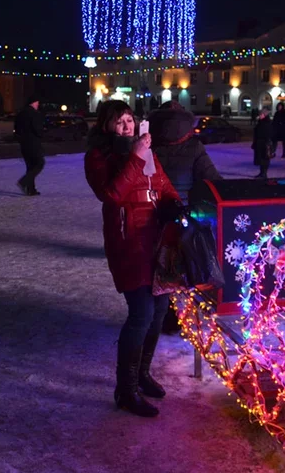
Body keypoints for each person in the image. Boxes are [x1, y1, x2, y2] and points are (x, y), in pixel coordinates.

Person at [85, 100, 181, 417]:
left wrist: (175, 205)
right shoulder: (99, 156)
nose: (126, 126)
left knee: (159, 311)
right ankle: (125, 390)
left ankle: (141, 374)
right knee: (141, 313)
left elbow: (163, 185)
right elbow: (112, 194)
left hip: (157, 243)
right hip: (129, 243)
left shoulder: (146, 153)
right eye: (119, 121)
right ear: (106, 126)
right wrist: (136, 157)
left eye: (129, 120)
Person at [147, 101, 222, 334]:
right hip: (185, 213)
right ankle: (179, 318)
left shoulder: (148, 143)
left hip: (153, 214)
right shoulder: (194, 146)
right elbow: (211, 179)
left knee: (157, 268)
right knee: (184, 265)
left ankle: (161, 316)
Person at [147, 101, 221, 202]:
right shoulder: (194, 146)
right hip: (183, 208)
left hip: (151, 208)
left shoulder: (145, 144)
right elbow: (212, 179)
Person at [14, 94, 44, 196]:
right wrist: (42, 134)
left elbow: (16, 129)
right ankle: (24, 182)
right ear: (34, 102)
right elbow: (37, 129)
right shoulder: (34, 114)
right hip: (33, 143)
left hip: (24, 144)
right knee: (39, 163)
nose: (38, 105)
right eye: (38, 103)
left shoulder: (20, 114)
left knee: (30, 166)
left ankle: (31, 190)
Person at [252, 109, 274, 178]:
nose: (259, 115)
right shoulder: (261, 122)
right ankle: (262, 172)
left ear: (264, 115)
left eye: (261, 114)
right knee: (261, 158)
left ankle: (264, 173)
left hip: (264, 143)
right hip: (260, 142)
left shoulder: (266, 123)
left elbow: (268, 133)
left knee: (264, 158)